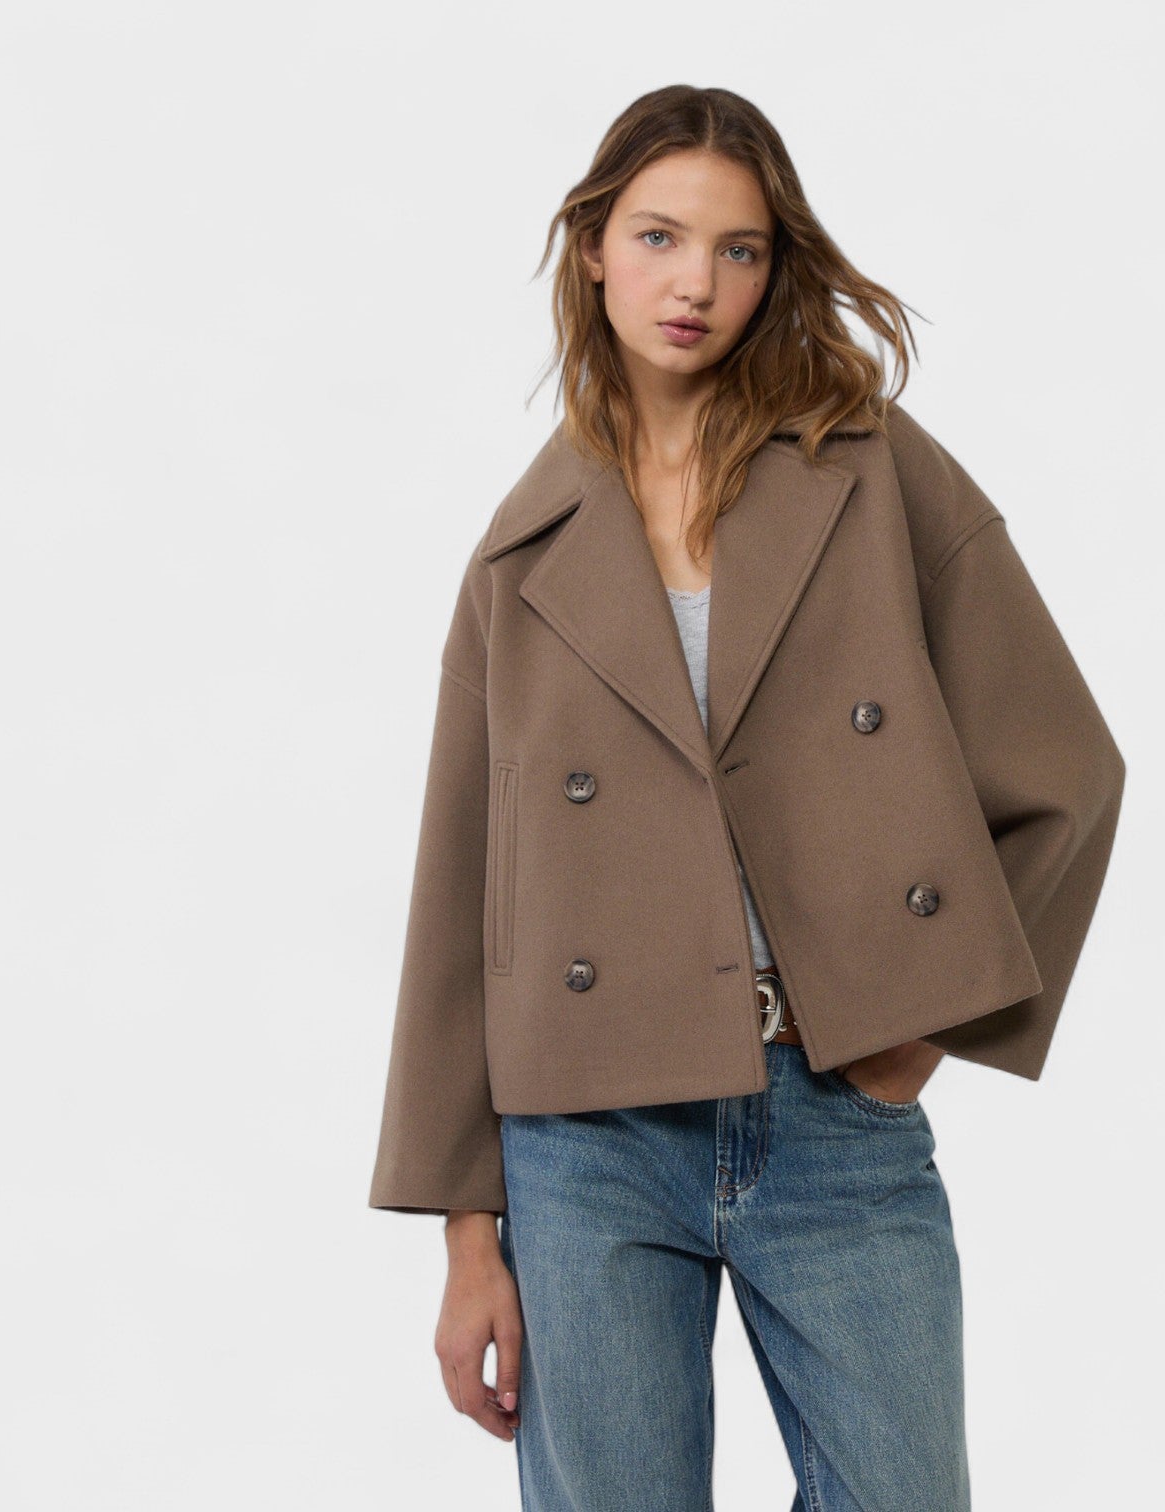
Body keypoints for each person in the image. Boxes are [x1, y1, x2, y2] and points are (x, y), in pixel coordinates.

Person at [368, 84, 1126, 1511]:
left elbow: (1067, 768)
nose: (695, 285)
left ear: (776, 269)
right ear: (594, 248)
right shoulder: (521, 554)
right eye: (659, 237)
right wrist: (468, 1236)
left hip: (831, 1107)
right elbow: (462, 903)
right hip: (586, 1142)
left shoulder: (870, 469)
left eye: (740, 249)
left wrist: (925, 1027)